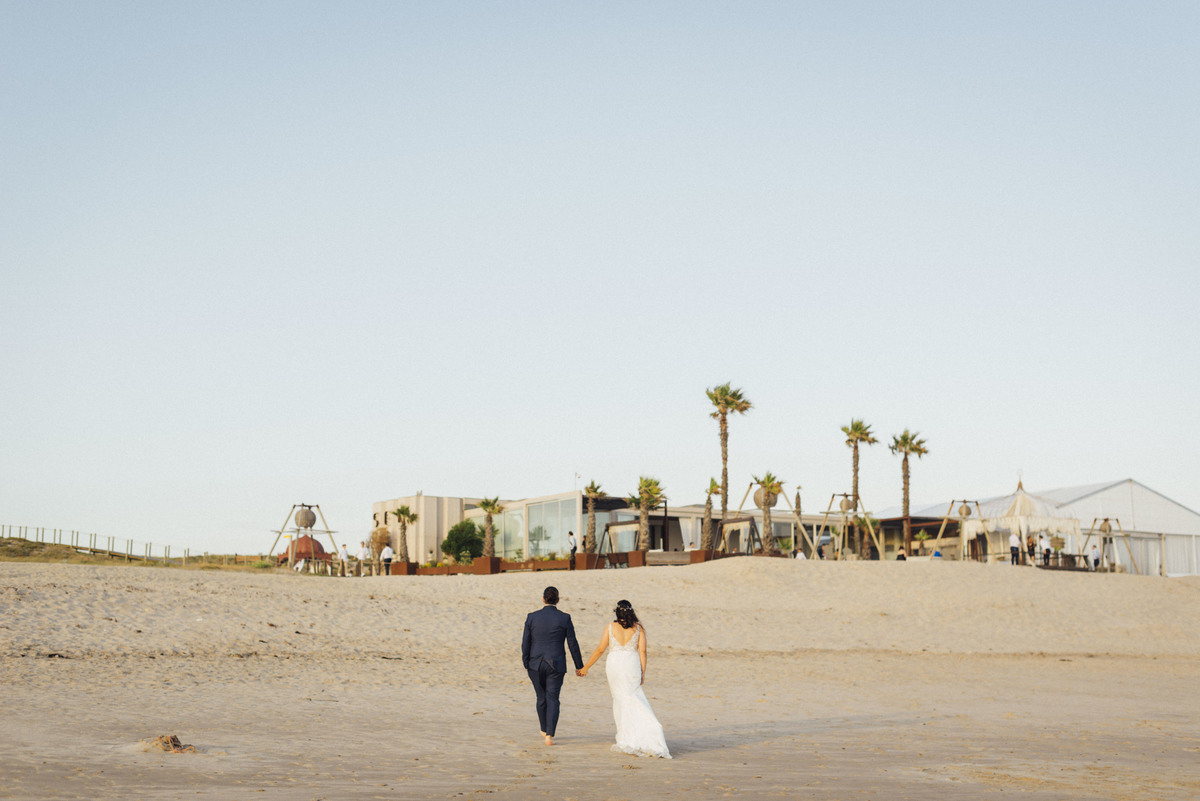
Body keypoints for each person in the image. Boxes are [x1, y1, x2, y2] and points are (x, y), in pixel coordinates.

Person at [579, 600, 671, 759]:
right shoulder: (638, 628)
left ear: (617, 612)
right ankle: (634, 734)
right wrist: (643, 671)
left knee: (621, 699)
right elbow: (642, 651)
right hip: (631, 664)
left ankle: (627, 736)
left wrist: (586, 667)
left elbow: (601, 649)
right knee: (632, 696)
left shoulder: (610, 627)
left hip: (614, 664)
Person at [522, 586, 583, 746]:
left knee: (541, 697)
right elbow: (572, 644)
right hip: (556, 663)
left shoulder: (532, 617)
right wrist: (579, 665)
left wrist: (526, 662)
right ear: (558, 600)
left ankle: (543, 729)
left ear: (543, 599)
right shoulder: (564, 618)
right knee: (553, 698)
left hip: (535, 663)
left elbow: (525, 642)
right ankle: (549, 735)